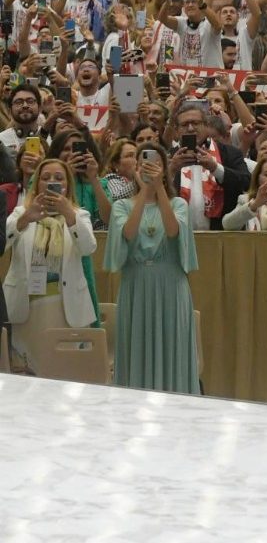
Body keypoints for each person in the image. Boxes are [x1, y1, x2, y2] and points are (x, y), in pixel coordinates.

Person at [105, 142, 199, 394]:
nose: (150, 167)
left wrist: (158, 190)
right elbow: (128, 233)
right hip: (136, 287)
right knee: (136, 348)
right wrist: (144, 191)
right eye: (144, 163)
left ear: (164, 169)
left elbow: (172, 231)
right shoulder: (121, 206)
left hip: (171, 287)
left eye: (157, 163)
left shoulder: (178, 204)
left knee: (172, 351)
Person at [3, 159, 98, 375]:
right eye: (45, 178)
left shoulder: (79, 215)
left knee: (65, 372)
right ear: (37, 184)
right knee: (28, 374)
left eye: (59, 178)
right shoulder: (21, 212)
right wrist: (25, 219)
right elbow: (3, 243)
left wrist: (69, 214)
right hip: (27, 306)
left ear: (68, 185)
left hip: (66, 306)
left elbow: (88, 247)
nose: (51, 182)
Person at [169, 105, 250, 230]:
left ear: (206, 125)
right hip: (179, 234)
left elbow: (246, 183)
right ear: (176, 130)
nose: (190, 128)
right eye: (184, 124)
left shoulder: (229, 153)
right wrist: (171, 170)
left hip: (221, 235)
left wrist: (216, 168)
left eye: (195, 123)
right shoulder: (169, 156)